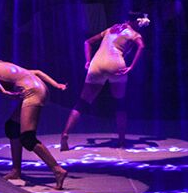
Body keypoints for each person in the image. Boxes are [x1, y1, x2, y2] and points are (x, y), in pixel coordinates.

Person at [0, 49, 68, 189]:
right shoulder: (3, 64)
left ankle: (57, 170)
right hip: (39, 89)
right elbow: (37, 72)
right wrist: (56, 85)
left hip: (32, 93)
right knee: (12, 127)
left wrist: (3, 91)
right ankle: (16, 171)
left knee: (27, 137)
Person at [60, 12, 149, 151]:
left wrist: (88, 61)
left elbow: (87, 42)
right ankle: (121, 141)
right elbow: (141, 46)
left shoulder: (111, 29)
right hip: (115, 64)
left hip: (96, 64)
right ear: (137, 22)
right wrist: (131, 66)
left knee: (82, 102)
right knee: (120, 103)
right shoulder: (133, 33)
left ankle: (65, 134)